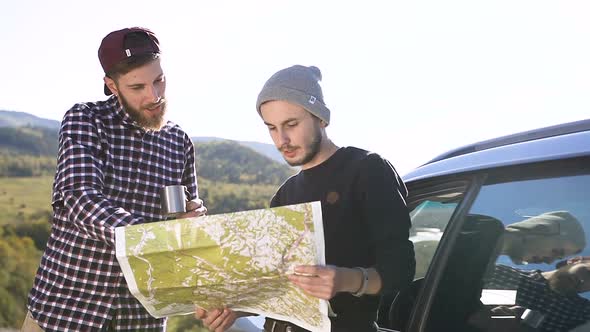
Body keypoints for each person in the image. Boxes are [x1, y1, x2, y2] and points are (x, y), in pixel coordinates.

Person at [196, 65, 416, 331]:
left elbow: (401, 270)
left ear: (320, 117)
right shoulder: (284, 194)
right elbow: (280, 284)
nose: (282, 140)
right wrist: (234, 309)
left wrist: (346, 280)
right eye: (272, 128)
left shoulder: (368, 170)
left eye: (291, 124)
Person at [22, 27, 206, 331]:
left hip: (141, 319)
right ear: (112, 85)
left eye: (159, 80)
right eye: (138, 87)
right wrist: (150, 236)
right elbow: (81, 199)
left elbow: (181, 232)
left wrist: (190, 221)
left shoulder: (179, 142)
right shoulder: (86, 119)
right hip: (67, 312)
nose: (154, 96)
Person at [498, 211, 586, 265]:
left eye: (557, 258)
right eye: (556, 252)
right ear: (541, 228)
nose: (549, 262)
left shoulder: (489, 258)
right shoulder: (486, 230)